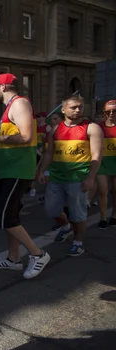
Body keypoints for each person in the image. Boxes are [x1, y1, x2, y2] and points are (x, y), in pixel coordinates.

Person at [0, 73, 51, 279]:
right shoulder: (11, 106)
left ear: (3, 87)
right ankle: (14, 259)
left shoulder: (19, 103)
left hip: (17, 169)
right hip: (9, 170)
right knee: (10, 216)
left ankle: (38, 253)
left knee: (3, 215)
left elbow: (25, 136)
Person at [38, 95, 103, 256]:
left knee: (78, 214)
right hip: (56, 178)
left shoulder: (91, 127)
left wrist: (90, 177)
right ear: (63, 109)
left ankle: (78, 242)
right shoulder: (55, 129)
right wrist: (41, 171)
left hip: (78, 178)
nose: (77, 110)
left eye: (80, 107)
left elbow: (96, 155)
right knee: (52, 210)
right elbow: (49, 153)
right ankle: (66, 227)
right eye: (73, 107)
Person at [96, 100, 116, 228]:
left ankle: (114, 216)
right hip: (102, 163)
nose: (111, 113)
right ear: (104, 112)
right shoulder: (98, 128)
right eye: (108, 111)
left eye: (114, 111)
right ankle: (103, 217)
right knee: (103, 191)